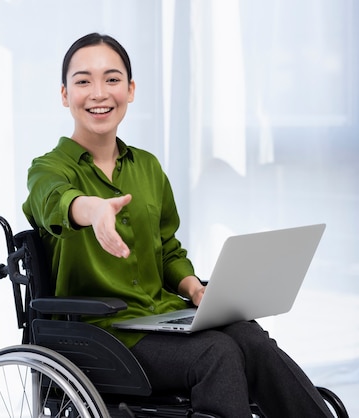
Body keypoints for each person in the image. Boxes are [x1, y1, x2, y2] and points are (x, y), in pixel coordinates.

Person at [22, 32, 334, 418]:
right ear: (65, 94)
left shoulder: (148, 167)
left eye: (112, 79)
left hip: (159, 317)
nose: (99, 93)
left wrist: (194, 288)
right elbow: (56, 202)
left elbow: (167, 248)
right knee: (216, 353)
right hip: (100, 334)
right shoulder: (47, 169)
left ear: (131, 90)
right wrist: (94, 211)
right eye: (83, 81)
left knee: (249, 337)